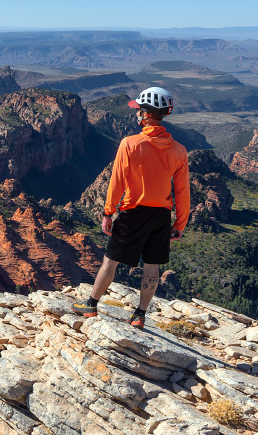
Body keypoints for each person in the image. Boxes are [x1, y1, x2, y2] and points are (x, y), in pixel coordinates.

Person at [72, 86, 190, 329]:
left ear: (146, 114)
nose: (136, 115)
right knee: (152, 267)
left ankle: (91, 305)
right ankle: (139, 315)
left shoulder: (130, 144)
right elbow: (182, 191)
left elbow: (117, 181)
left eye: (139, 111)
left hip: (133, 212)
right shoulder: (179, 150)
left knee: (110, 261)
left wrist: (108, 211)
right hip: (161, 215)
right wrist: (180, 224)